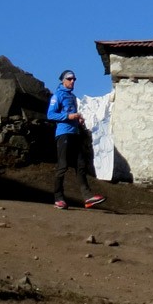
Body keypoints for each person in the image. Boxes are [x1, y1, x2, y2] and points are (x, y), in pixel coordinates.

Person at [47, 70, 105, 210]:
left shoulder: (72, 97)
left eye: (74, 79)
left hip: (74, 133)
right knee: (63, 166)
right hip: (63, 134)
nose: (73, 81)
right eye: (70, 79)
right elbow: (50, 114)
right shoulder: (58, 96)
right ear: (63, 80)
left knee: (81, 165)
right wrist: (68, 116)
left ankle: (87, 197)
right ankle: (58, 198)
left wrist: (78, 119)